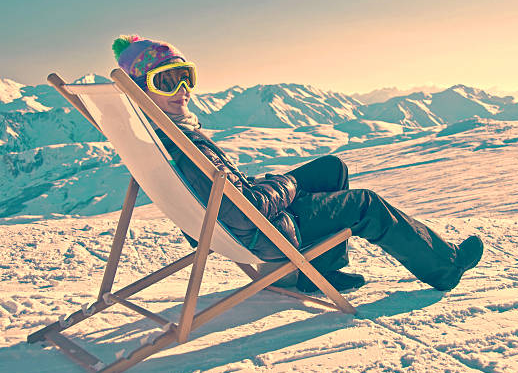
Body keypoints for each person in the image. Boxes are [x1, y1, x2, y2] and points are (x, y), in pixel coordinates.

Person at [112, 35, 484, 293]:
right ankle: (445, 267)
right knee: (365, 203)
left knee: (331, 168)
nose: (182, 91)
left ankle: (317, 270)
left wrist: (267, 183)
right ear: (141, 90)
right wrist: (285, 186)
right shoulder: (183, 144)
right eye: (165, 82)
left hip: (237, 220)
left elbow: (226, 195)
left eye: (185, 77)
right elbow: (249, 208)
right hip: (265, 231)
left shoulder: (156, 133)